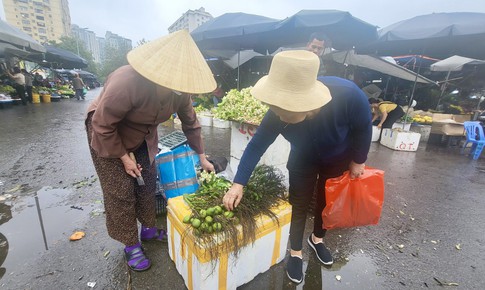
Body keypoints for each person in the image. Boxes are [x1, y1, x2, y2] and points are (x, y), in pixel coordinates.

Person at [222, 50, 372, 284]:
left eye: (285, 111)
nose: (278, 115)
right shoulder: (277, 113)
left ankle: (318, 239)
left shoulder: (348, 95)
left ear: (305, 104)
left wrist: (358, 160)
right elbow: (256, 145)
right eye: (277, 109)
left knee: (326, 202)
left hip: (337, 157)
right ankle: (295, 252)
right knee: (298, 203)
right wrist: (237, 184)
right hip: (303, 158)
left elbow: (364, 127)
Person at [85, 30, 216, 272]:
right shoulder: (126, 82)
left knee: (146, 182)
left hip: (143, 135)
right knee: (121, 190)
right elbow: (102, 125)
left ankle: (147, 228)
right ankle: (130, 243)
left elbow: (191, 123)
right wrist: (124, 157)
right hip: (107, 132)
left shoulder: (180, 93)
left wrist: (202, 156)